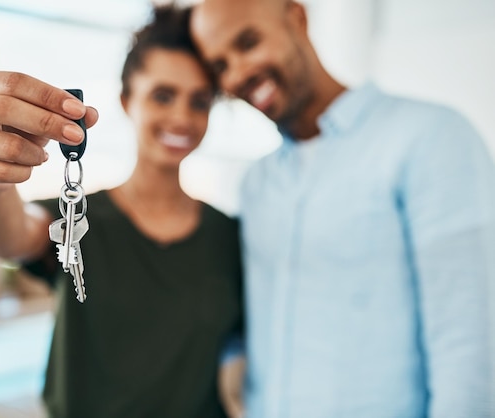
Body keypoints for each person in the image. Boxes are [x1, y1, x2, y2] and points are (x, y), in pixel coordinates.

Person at [188, 0, 495, 417]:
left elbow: (469, 346)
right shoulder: (256, 184)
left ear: (296, 16)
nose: (238, 73)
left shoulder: (430, 138)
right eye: (220, 65)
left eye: (249, 42)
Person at [0, 6, 243, 418]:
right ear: (127, 100)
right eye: (163, 95)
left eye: (200, 101)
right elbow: (9, 237)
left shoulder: (229, 236)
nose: (182, 117)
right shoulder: (78, 219)